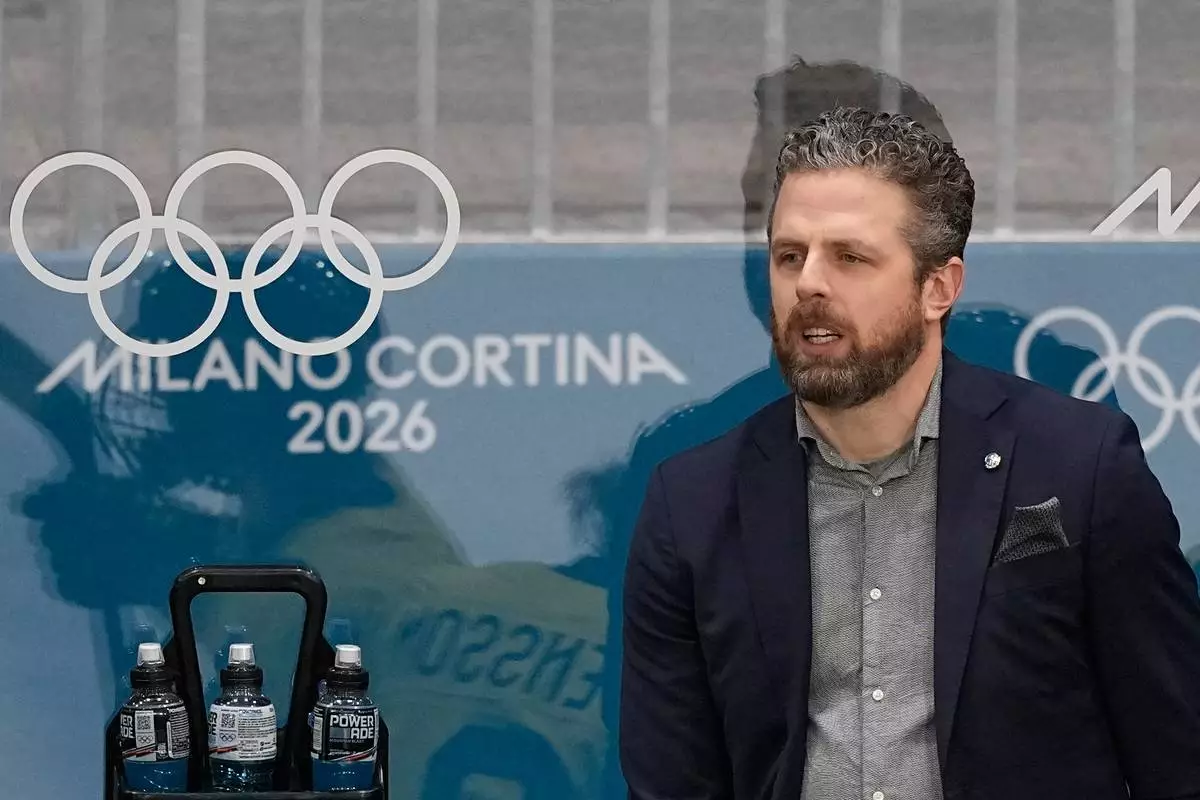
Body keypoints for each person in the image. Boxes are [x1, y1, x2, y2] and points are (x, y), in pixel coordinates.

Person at [618, 105, 1200, 799]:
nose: (809, 284)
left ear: (938, 288)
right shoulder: (693, 504)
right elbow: (673, 780)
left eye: (850, 257)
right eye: (788, 255)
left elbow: (1178, 758)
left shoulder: (1081, 466)